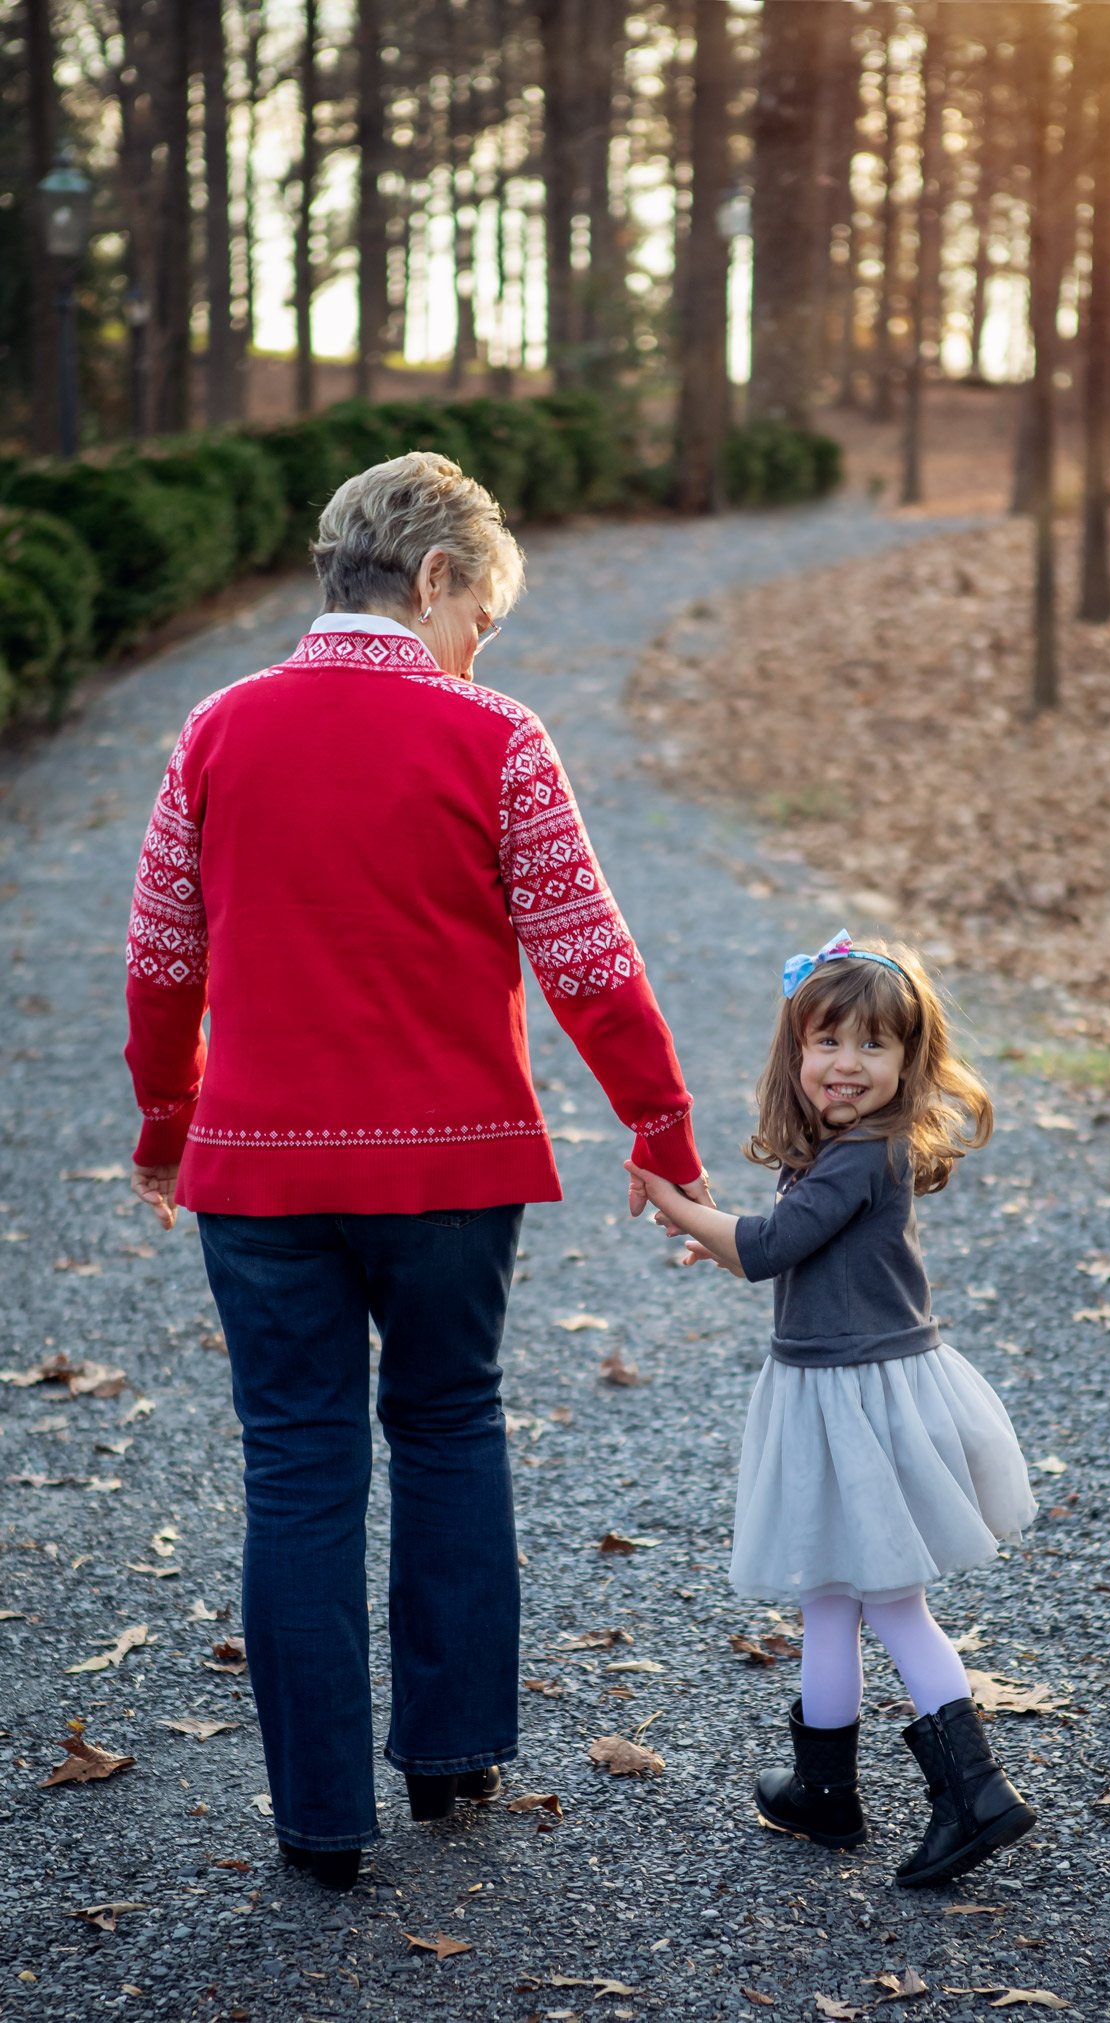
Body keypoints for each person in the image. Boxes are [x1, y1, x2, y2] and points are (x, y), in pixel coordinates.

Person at [124, 451, 709, 1888]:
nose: (479, 651)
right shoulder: (494, 737)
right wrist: (661, 1125)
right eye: (481, 618)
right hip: (451, 1170)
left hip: (257, 1171)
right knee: (447, 1427)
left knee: (298, 1465)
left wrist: (165, 1123)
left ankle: (320, 1820)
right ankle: (452, 1759)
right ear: (436, 578)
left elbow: (158, 959)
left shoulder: (214, 730)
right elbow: (588, 958)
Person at [626, 930, 1037, 1888]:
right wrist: (720, 1241)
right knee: (827, 1594)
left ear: (909, 1062)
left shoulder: (867, 1153)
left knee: (890, 1600)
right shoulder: (833, 1151)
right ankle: (822, 1790)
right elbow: (784, 1247)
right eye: (826, 1042)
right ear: (795, 1050)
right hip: (834, 1390)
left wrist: (674, 1204)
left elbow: (770, 1245)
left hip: (862, 1401)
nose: (846, 1064)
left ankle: (976, 1791)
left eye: (872, 1046)